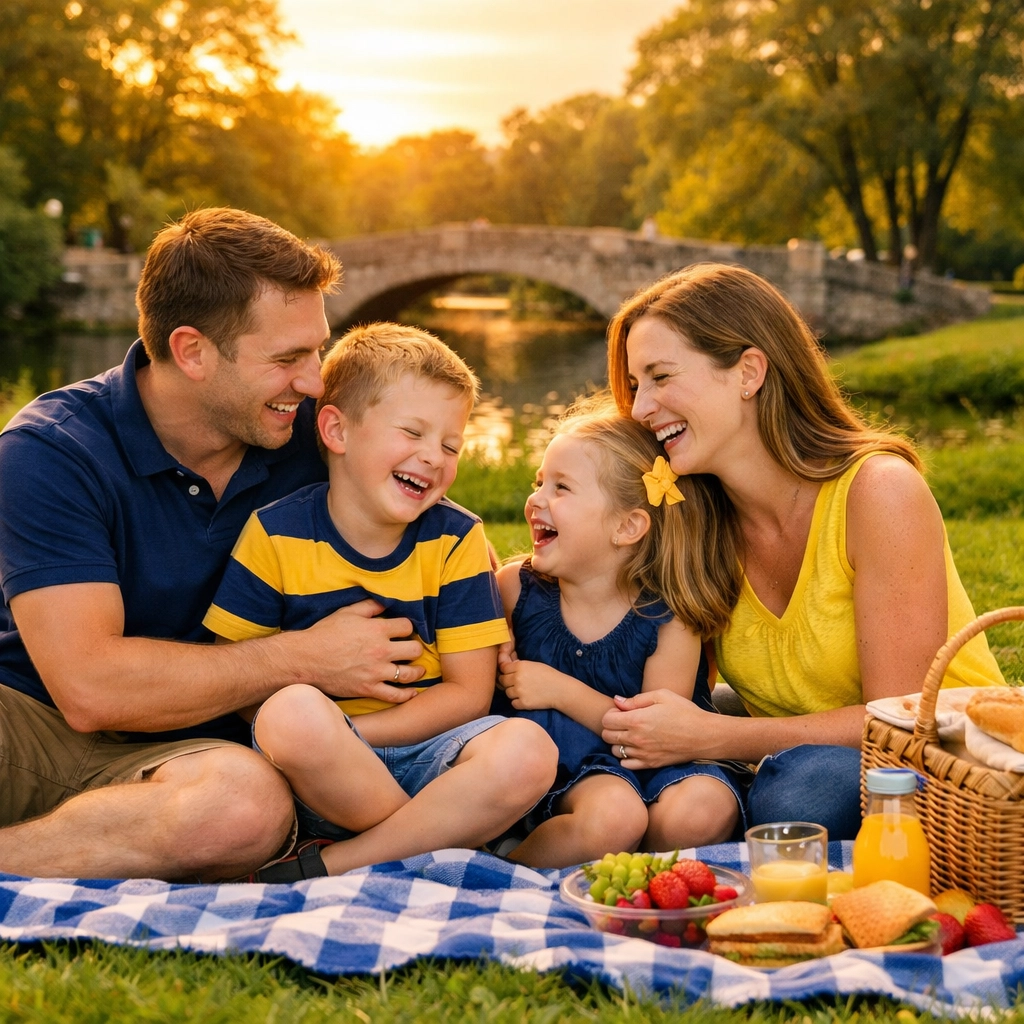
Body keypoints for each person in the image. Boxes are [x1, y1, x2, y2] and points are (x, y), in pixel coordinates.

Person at [0, 208, 441, 882]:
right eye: (288, 358)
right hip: (27, 719)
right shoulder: (51, 451)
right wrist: (303, 657)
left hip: (194, 754)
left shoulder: (316, 435)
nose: (314, 381)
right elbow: (90, 687)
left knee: (244, 809)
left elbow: (438, 534)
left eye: (317, 350)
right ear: (192, 351)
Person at [600, 263, 1006, 839]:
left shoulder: (878, 493)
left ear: (749, 372)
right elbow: (670, 677)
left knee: (804, 791)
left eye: (660, 377)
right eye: (636, 385)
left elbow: (899, 723)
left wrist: (716, 738)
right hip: (796, 750)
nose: (641, 408)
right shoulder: (698, 520)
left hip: (946, 768)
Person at [203, 323, 558, 880]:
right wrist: (335, 738)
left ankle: (340, 862)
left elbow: (469, 694)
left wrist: (359, 735)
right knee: (290, 715)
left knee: (528, 750)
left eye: (450, 445)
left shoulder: (455, 538)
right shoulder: (275, 534)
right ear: (337, 430)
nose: (433, 457)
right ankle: (433, 838)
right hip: (320, 773)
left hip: (435, 758)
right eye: (412, 432)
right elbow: (236, 680)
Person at [492, 400, 746, 868]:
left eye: (561, 487)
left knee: (704, 810)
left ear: (627, 526)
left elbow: (657, 737)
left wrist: (559, 690)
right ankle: (507, 866)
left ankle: (624, 864)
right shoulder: (515, 590)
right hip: (564, 769)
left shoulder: (670, 618)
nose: (536, 499)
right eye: (538, 482)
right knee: (613, 817)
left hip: (656, 765)